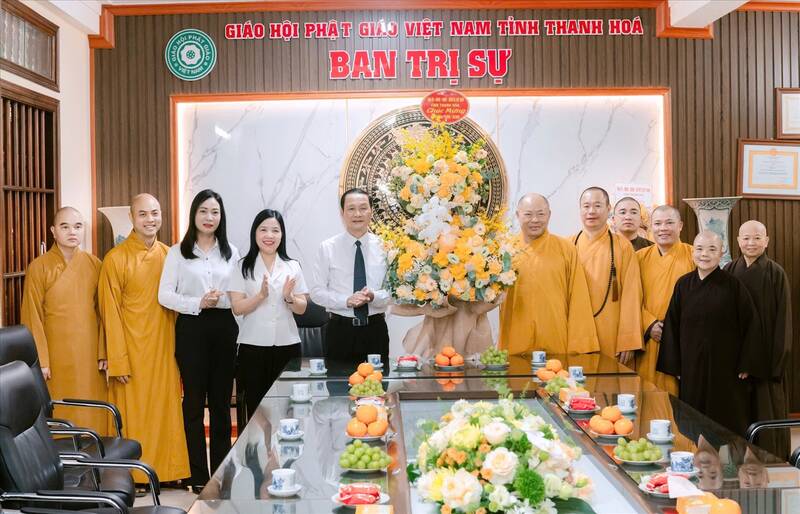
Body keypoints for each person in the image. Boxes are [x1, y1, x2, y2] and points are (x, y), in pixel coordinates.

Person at [98, 193, 189, 483]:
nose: (150, 220)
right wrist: (118, 360)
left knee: (166, 411)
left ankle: (170, 472)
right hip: (132, 351)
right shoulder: (115, 259)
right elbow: (109, 312)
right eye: (143, 214)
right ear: (132, 218)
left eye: (155, 213)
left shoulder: (169, 255)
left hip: (164, 348)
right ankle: (135, 476)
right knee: (135, 414)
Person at [158, 190, 239, 491]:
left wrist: (224, 299)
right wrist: (196, 302)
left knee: (220, 404)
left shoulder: (231, 250)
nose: (209, 217)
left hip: (224, 328)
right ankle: (197, 474)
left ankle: (220, 471)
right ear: (194, 215)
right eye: (203, 211)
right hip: (191, 328)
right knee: (193, 402)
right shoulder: (177, 252)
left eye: (214, 212)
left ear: (221, 217)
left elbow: (239, 292)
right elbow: (164, 295)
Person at [656, 231, 764, 436]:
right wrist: (676, 364)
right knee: (691, 418)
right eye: (699, 249)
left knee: (725, 419)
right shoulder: (683, 284)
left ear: (721, 252)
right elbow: (672, 324)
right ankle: (695, 459)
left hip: (725, 366)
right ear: (692, 252)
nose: (704, 254)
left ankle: (727, 466)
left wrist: (746, 362)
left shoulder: (733, 286)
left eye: (712, 249)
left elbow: (751, 324)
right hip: (691, 365)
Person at [20, 207, 107, 433]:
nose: (72, 232)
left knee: (92, 412)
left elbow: (103, 313)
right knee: (60, 408)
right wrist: (42, 361)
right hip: (56, 355)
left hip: (88, 355)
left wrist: (103, 351)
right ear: (53, 231)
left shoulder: (95, 264)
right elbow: (32, 316)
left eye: (78, 226)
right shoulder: (38, 267)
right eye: (64, 226)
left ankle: (96, 457)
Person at [229, 209, 308, 423]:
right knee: (257, 410)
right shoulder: (242, 266)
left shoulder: (292, 266)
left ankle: (285, 454)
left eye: (275, 230)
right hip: (252, 347)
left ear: (282, 235)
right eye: (263, 229)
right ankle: (257, 454)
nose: (269, 235)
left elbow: (302, 307)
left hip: (287, 346)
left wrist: (289, 297)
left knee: (287, 409)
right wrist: (260, 296)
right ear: (255, 233)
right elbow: (237, 308)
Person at [498, 193, 598, 356]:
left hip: (555, 338)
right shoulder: (505, 250)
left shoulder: (566, 249)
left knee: (554, 379)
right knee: (515, 379)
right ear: (518, 215)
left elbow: (578, 298)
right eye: (528, 214)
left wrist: (580, 345)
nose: (535, 220)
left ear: (549, 214)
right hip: (515, 338)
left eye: (541, 214)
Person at [725, 220, 792, 459]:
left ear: (767, 241)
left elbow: (782, 322)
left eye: (756, 238)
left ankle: (774, 462)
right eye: (745, 238)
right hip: (737, 361)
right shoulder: (730, 271)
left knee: (766, 413)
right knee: (738, 417)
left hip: (765, 360)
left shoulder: (775, 273)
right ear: (737, 240)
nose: (750, 243)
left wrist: (775, 363)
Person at [310, 188, 391, 366]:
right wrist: (346, 300)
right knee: (339, 390)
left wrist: (374, 296)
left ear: (371, 211)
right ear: (342, 213)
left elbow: (394, 292)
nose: (357, 214)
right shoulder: (327, 248)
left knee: (376, 388)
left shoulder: (385, 247)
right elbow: (316, 292)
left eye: (363, 208)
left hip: (375, 331)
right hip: (340, 331)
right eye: (351, 209)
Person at [572, 187, 643, 364]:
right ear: (580, 209)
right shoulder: (567, 246)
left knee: (609, 387)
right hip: (574, 332)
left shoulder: (623, 246)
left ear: (608, 209)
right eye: (586, 206)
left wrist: (628, 339)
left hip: (611, 331)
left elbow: (632, 295)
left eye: (597, 205)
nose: (591, 211)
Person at [634, 205, 694, 395]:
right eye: (657, 223)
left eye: (669, 223)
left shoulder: (694, 255)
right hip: (650, 337)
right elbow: (631, 298)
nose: (663, 228)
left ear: (680, 226)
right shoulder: (639, 258)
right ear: (651, 227)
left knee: (679, 400)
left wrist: (673, 329)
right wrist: (649, 324)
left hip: (681, 339)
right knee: (647, 395)